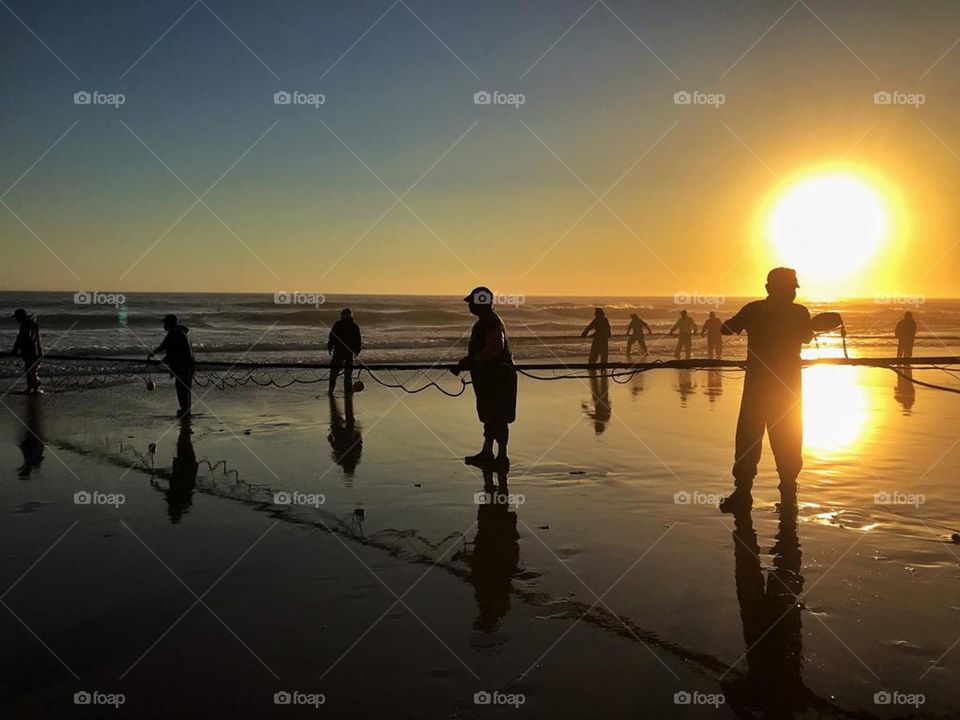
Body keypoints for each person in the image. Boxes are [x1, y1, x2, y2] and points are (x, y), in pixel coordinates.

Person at [718, 268, 813, 514]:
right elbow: (808, 337)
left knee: (749, 439)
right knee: (789, 440)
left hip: (757, 388)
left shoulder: (754, 310)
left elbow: (726, 330)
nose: (792, 293)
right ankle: (789, 494)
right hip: (788, 389)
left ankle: (743, 493)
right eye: (791, 288)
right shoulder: (799, 312)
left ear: (768, 288)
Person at [451, 287, 517, 469]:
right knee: (490, 416)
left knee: (498, 417)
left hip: (498, 377)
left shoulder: (489, 322)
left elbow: (495, 349)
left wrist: (471, 361)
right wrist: (470, 362)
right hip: (491, 377)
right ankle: (488, 452)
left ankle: (502, 456)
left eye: (472, 302)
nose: (470, 306)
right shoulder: (487, 321)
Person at [148, 314, 195, 418]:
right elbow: (165, 347)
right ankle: (187, 410)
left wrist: (158, 359)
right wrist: (154, 354)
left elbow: (170, 352)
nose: (164, 325)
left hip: (182, 366)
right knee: (186, 388)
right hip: (189, 365)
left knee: (181, 388)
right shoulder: (181, 332)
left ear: (169, 323)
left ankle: (184, 410)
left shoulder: (173, 334)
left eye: (165, 323)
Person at [327, 308, 362, 395]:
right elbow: (358, 341)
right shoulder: (354, 326)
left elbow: (332, 337)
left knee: (333, 374)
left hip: (338, 352)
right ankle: (348, 392)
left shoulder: (338, 324)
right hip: (349, 353)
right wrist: (357, 351)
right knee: (348, 376)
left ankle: (331, 391)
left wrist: (330, 347)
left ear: (343, 315)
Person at [11, 308, 43, 394]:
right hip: (32, 352)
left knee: (31, 371)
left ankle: (35, 389)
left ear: (21, 316)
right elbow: (20, 340)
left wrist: (16, 349)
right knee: (30, 370)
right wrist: (16, 349)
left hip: (32, 352)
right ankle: (31, 388)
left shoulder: (28, 325)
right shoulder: (30, 324)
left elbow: (25, 339)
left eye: (17, 317)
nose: (17, 319)